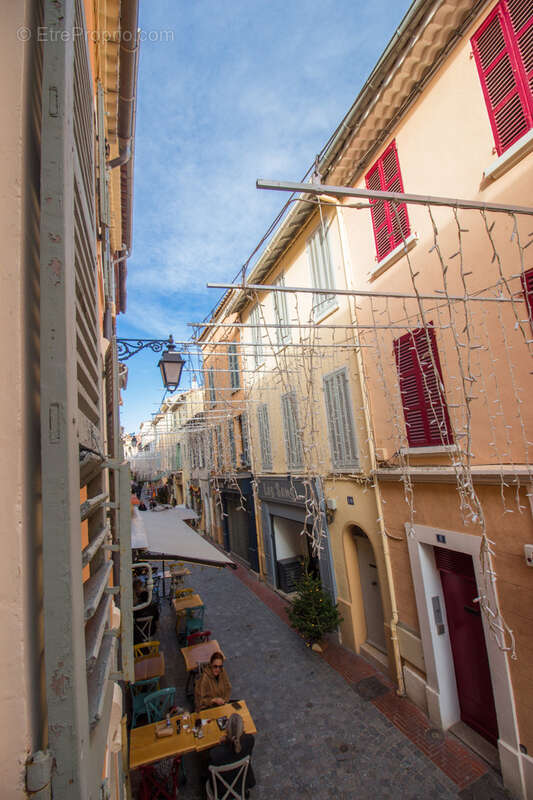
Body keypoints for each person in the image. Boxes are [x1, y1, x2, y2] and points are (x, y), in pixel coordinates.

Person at [207, 713, 256, 797]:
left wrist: (221, 744)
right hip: (243, 782)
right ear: (242, 728)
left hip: (222, 790)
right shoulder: (250, 740)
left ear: (226, 729)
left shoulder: (215, 753)